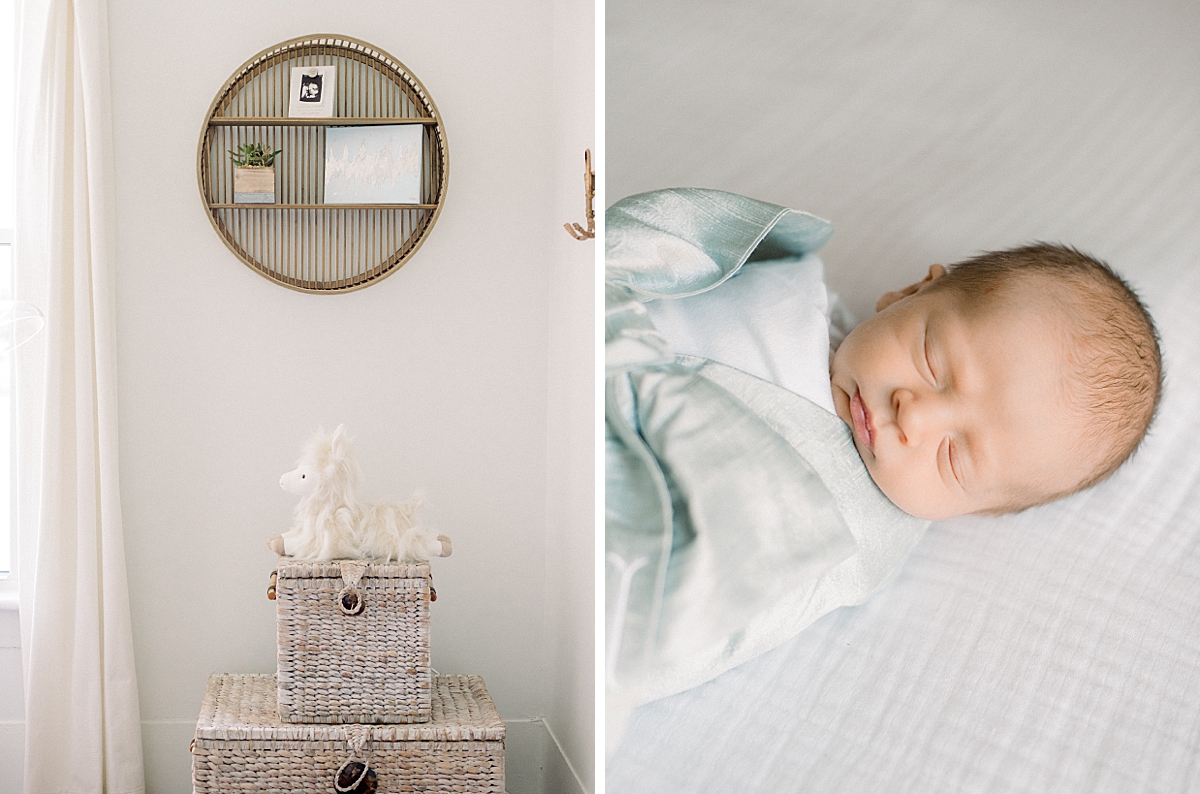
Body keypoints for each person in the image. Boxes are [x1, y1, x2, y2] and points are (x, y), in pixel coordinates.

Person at [830, 243, 1162, 520]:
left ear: (974, 510)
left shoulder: (852, 552)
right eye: (931, 360)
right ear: (911, 292)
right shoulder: (794, 298)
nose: (912, 417)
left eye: (954, 460)